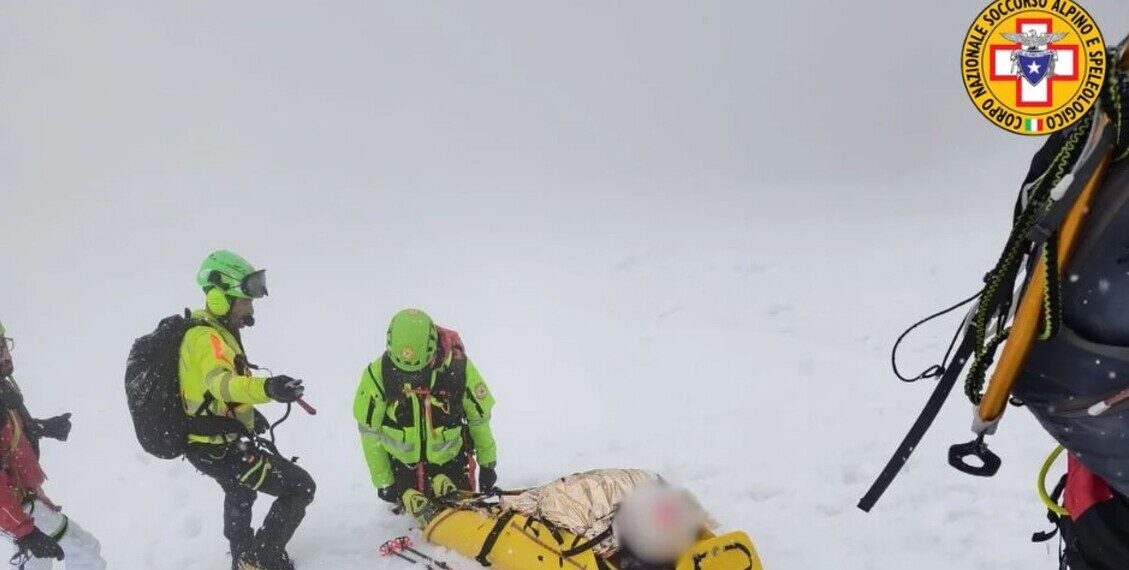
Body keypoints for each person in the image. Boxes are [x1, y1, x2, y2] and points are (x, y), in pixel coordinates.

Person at [178, 251, 314, 570]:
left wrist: (249, 414)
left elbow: (219, 391)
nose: (251, 309)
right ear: (219, 297)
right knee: (300, 487)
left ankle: (243, 557)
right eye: (245, 301)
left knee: (240, 488)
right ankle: (259, 560)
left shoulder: (214, 332)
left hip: (211, 442)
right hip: (217, 448)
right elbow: (221, 384)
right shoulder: (207, 339)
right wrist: (268, 389)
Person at [353, 308, 497, 520]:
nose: (412, 378)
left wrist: (487, 464)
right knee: (412, 503)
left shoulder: (457, 369)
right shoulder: (377, 375)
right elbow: (369, 432)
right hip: (402, 463)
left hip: (450, 459)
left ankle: (442, 484)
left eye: (419, 370)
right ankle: (412, 493)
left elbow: (479, 419)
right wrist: (384, 480)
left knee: (459, 514)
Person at [0, 320, 105, 569]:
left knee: (44, 562)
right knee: (86, 553)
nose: (5, 351)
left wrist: (43, 427)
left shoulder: (3, 386)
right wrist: (25, 531)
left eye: (4, 343)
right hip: (21, 508)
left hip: (25, 502)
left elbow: (8, 434)